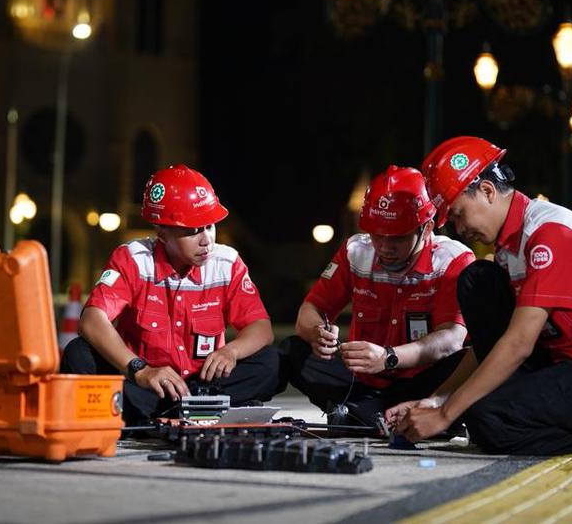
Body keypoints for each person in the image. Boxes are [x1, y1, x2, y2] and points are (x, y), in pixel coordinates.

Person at [387, 137, 572, 455]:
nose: (458, 228)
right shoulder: (510, 247)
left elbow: (519, 343)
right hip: (568, 360)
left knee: (488, 420)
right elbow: (490, 346)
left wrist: (445, 415)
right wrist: (435, 401)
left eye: (457, 215)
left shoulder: (550, 234)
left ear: (487, 191)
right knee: (477, 279)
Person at [61, 165, 278, 425]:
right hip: (145, 384)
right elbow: (91, 320)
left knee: (271, 361)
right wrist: (139, 370)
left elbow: (261, 328)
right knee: (77, 354)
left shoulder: (227, 262)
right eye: (193, 231)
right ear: (162, 234)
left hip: (204, 384)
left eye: (210, 226)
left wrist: (230, 352)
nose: (206, 239)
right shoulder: (132, 259)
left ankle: (176, 409)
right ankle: (192, 411)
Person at [278, 166, 473, 428]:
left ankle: (364, 414)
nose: (384, 247)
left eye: (397, 238)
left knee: (472, 358)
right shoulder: (355, 251)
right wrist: (317, 334)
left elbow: (451, 339)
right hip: (362, 383)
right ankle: (373, 414)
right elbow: (309, 310)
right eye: (377, 234)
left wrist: (389, 357)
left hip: (424, 382)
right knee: (294, 350)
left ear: (426, 228)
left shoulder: (454, 261)